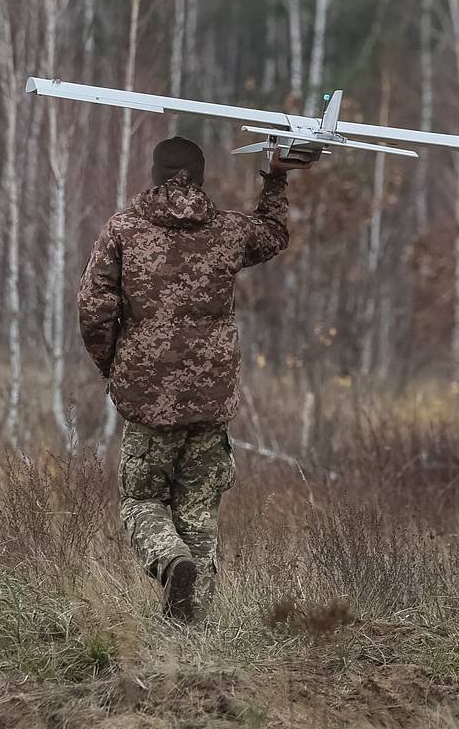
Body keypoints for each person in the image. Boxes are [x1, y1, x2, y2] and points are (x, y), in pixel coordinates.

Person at [76, 134, 315, 623]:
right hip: (210, 400)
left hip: (147, 400)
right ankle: (191, 630)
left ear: (155, 174)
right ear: (202, 177)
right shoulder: (226, 231)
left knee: (142, 500)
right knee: (199, 509)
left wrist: (114, 368)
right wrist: (276, 174)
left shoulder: (124, 229)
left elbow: (94, 309)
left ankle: (172, 562)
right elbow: (272, 234)